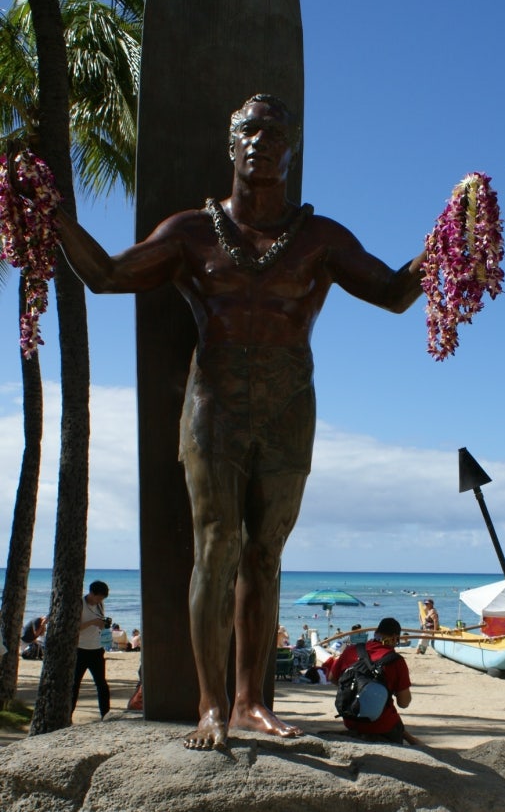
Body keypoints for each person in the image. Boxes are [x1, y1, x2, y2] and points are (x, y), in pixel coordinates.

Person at [54, 94, 424, 749]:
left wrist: (450, 233)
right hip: (214, 404)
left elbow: (395, 293)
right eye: (248, 129)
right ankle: (210, 705)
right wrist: (54, 217)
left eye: (273, 130)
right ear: (231, 146)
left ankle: (253, 702)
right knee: (217, 543)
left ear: (292, 149)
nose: (260, 139)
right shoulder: (191, 232)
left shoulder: (319, 238)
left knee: (264, 553)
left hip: (288, 406)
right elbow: (108, 274)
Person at [328, 617, 412, 745]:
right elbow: (404, 703)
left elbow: (332, 678)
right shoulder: (396, 660)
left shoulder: (352, 650)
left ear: (376, 633)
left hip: (351, 719)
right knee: (395, 723)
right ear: (395, 638)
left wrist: (356, 690)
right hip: (381, 725)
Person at [71, 580, 111, 719]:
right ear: (91, 593)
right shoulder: (79, 604)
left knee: (102, 684)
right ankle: (68, 715)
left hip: (97, 649)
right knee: (74, 685)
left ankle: (105, 715)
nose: (99, 600)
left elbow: (100, 622)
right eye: (98, 597)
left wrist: (103, 625)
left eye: (102, 598)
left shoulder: (100, 605)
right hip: (80, 649)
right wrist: (93, 622)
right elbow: (74, 628)